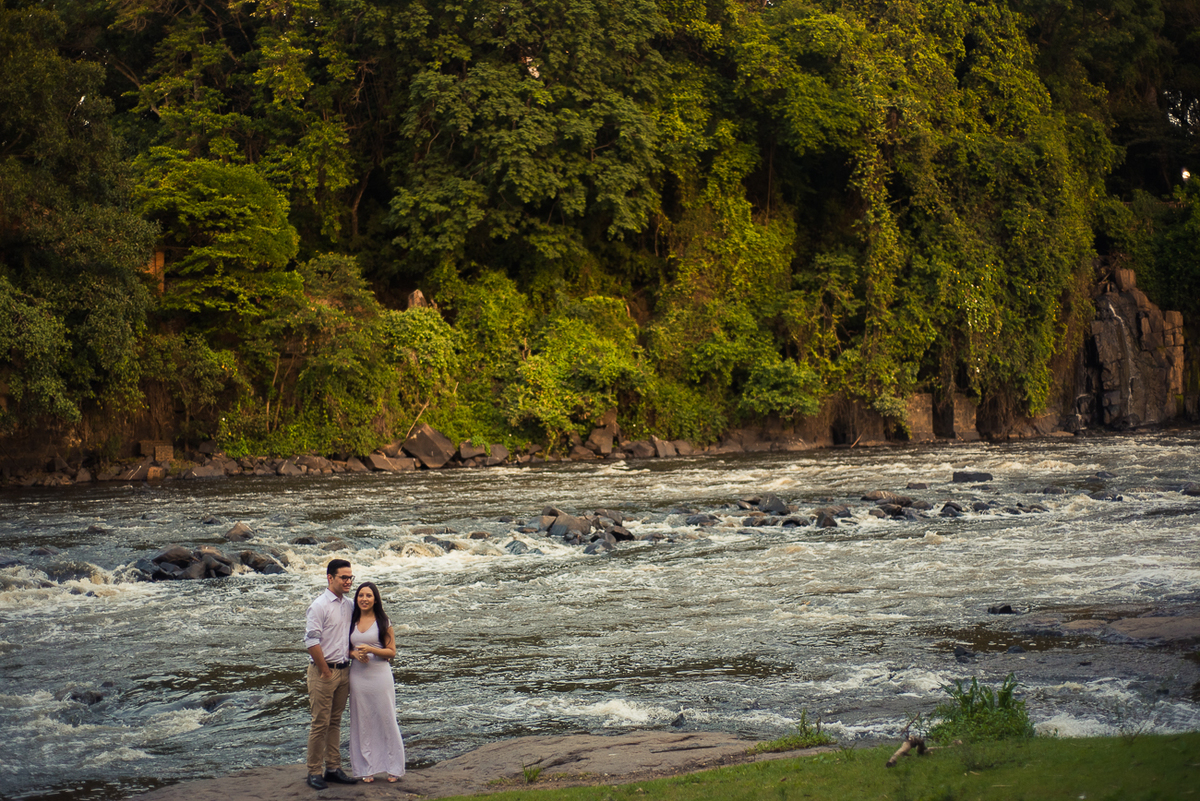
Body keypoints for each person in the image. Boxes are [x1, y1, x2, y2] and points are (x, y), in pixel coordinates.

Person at [303, 559, 359, 789]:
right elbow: (311, 640)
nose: (348, 581)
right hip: (323, 672)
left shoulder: (349, 605)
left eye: (350, 577)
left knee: (335, 722)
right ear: (330, 578)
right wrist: (325, 671)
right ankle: (314, 771)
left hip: (344, 671)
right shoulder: (319, 606)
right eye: (343, 577)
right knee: (320, 723)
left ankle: (333, 768)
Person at [347, 581, 406, 782]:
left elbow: (392, 652)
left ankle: (394, 768)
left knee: (386, 717)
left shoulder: (383, 621)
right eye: (361, 595)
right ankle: (366, 768)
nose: (364, 599)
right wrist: (354, 654)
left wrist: (371, 649)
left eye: (369, 596)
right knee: (362, 721)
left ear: (375, 599)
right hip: (358, 677)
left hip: (380, 675)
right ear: (357, 598)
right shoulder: (351, 621)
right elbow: (344, 649)